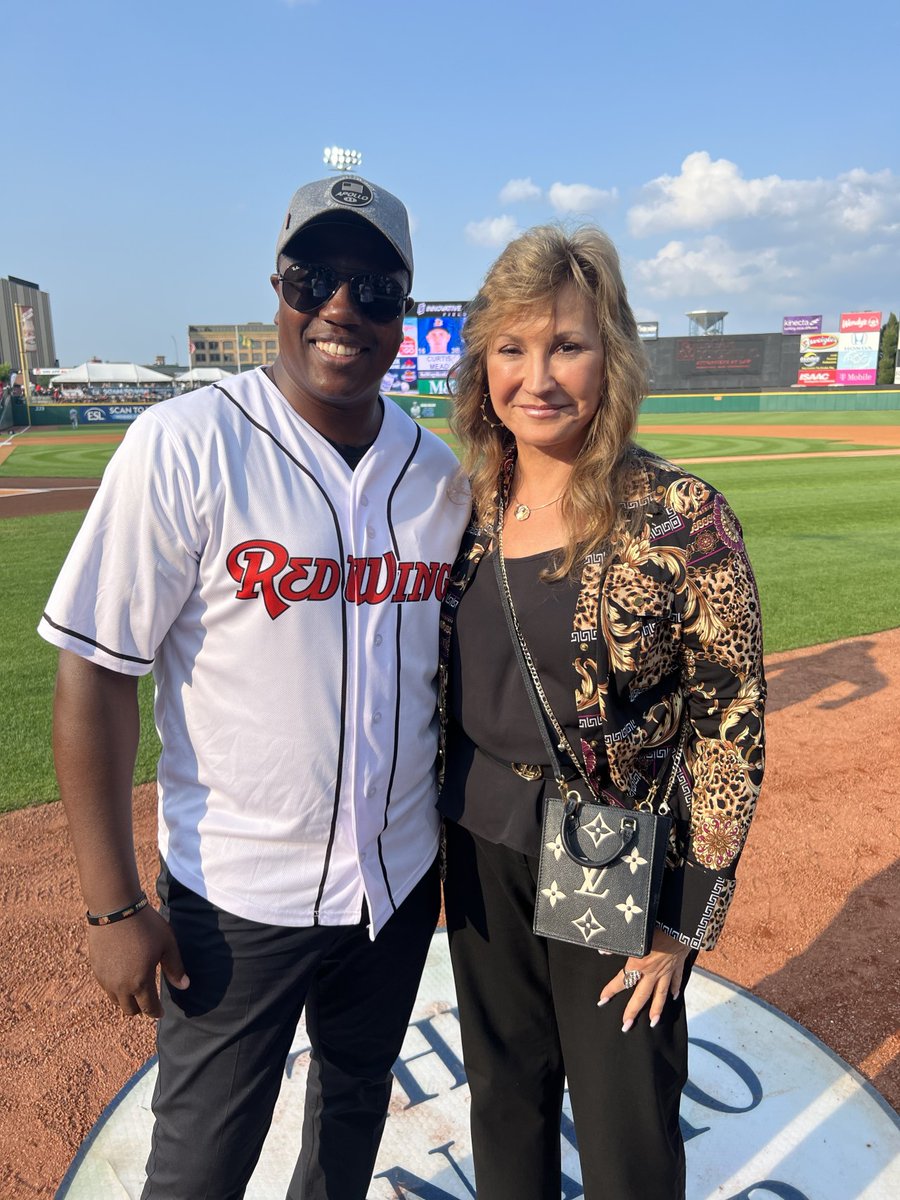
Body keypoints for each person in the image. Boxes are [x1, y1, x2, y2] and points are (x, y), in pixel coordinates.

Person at [39, 174, 470, 1200]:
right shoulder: (185, 445)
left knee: (354, 1116)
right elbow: (93, 672)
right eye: (316, 277)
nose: (341, 308)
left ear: (403, 311)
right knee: (199, 1169)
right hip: (234, 904)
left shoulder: (440, 476)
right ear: (277, 288)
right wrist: (110, 908)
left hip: (395, 888)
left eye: (374, 289)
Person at [437, 224, 765, 1199]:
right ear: (484, 362)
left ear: (610, 355)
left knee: (622, 1122)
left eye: (566, 345)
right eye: (511, 347)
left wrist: (683, 923)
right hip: (477, 836)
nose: (536, 377)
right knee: (504, 1095)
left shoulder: (677, 516)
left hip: (604, 850)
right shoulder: (461, 506)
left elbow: (730, 724)